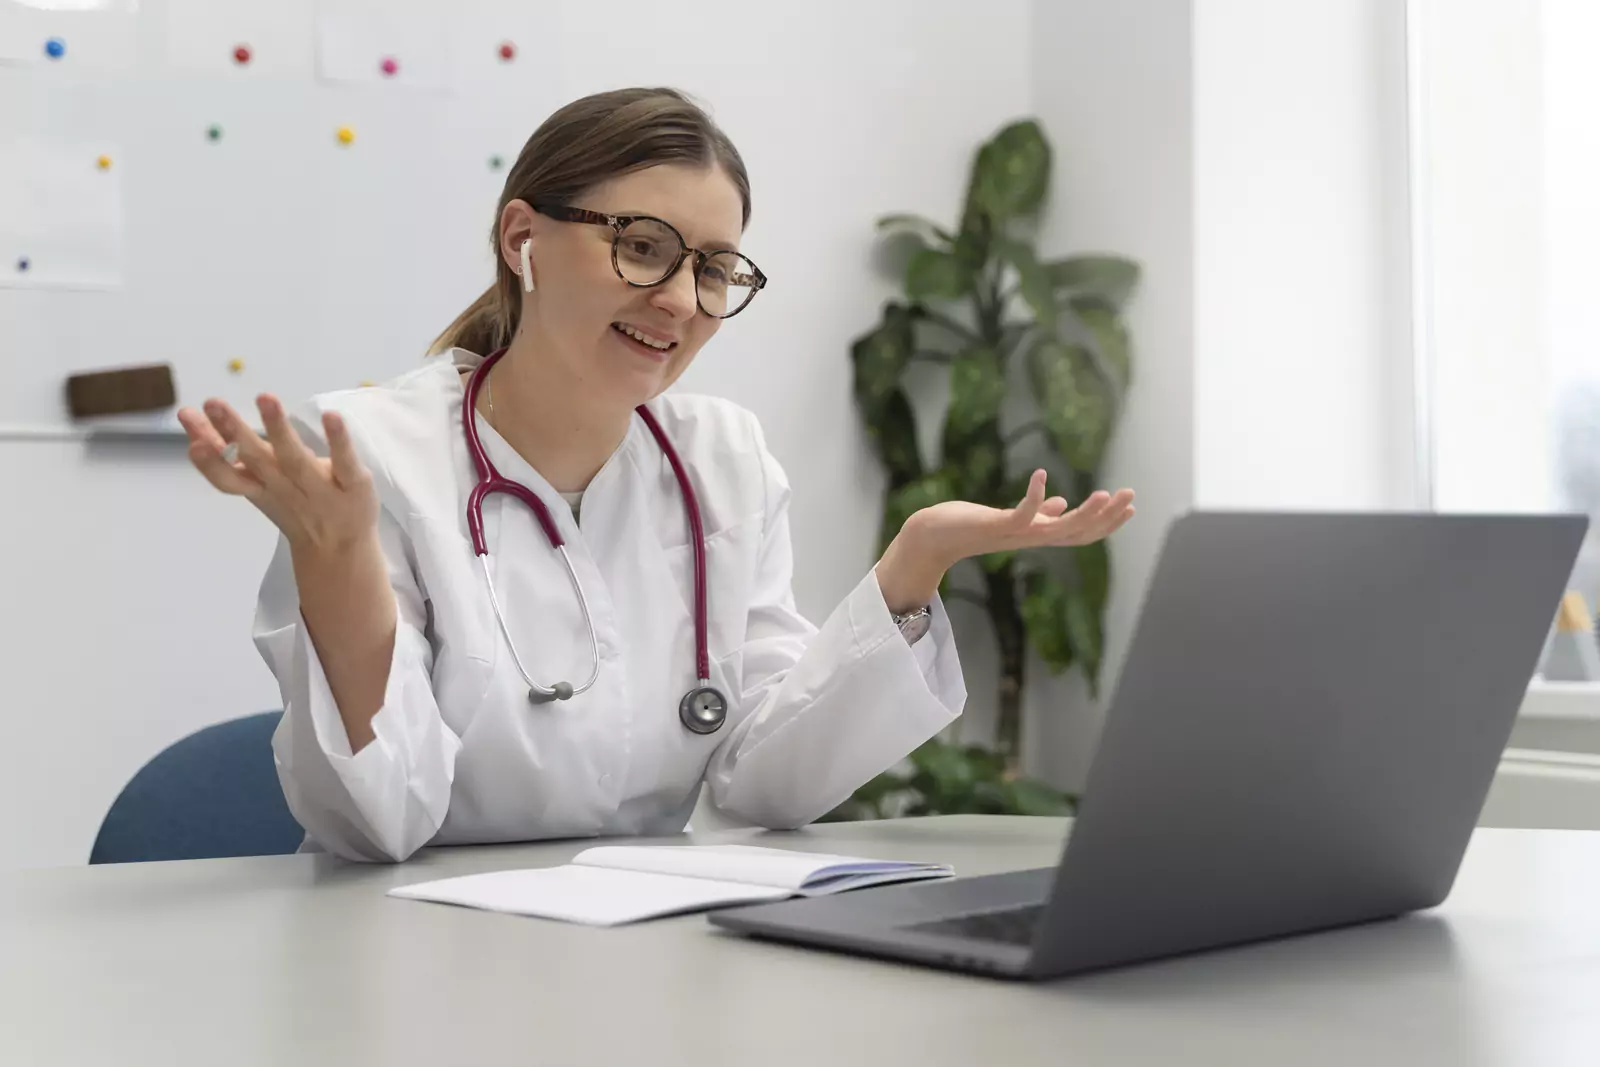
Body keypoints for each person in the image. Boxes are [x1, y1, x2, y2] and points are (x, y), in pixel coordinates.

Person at [176, 87, 1136, 863]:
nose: (679, 299)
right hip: (412, 957)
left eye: (715, 267)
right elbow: (377, 824)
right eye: (642, 247)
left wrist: (914, 569)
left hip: (652, 957)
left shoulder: (724, 459)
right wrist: (339, 561)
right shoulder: (367, 453)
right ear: (524, 240)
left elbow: (767, 782)